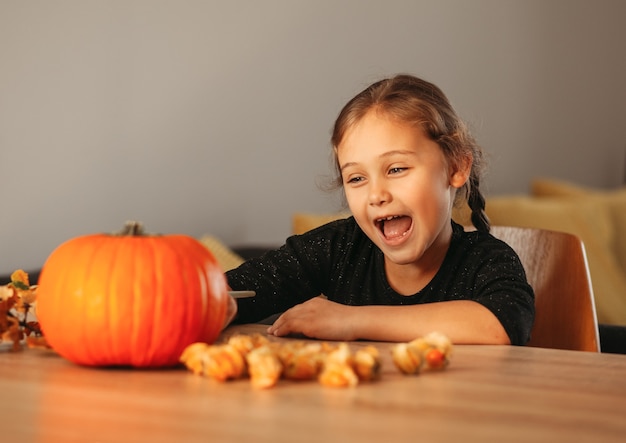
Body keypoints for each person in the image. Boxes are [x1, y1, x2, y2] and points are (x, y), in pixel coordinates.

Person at [224, 74, 534, 345]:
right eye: (357, 178)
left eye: (397, 169)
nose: (376, 195)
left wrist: (352, 320)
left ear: (456, 166)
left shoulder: (487, 259)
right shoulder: (337, 248)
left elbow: (500, 325)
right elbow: (231, 294)